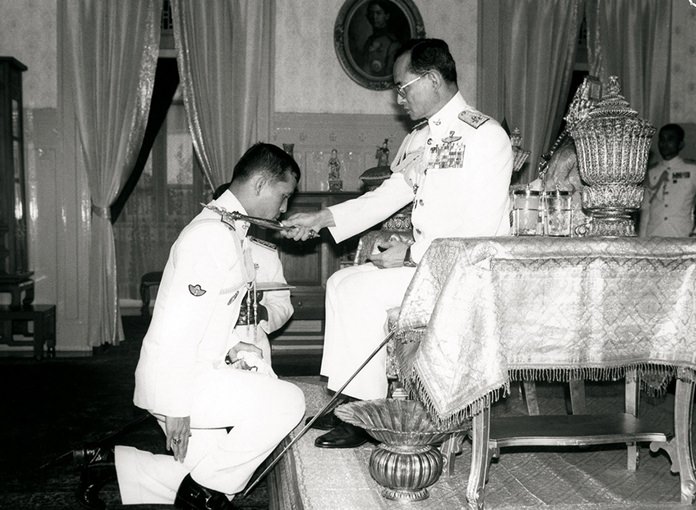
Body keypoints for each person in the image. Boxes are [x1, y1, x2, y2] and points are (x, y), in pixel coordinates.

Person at [282, 38, 513, 449]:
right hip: (427, 266)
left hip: (462, 275)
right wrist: (322, 218)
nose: (398, 97)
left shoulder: (484, 136)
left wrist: (409, 254)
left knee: (358, 293)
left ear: (434, 79)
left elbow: (482, 227)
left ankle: (367, 416)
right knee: (341, 283)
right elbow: (388, 196)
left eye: (403, 87)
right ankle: (350, 404)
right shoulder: (421, 138)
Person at [74, 143, 305, 510]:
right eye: (284, 195)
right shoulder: (211, 235)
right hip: (178, 381)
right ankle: (203, 496)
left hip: (197, 372)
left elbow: (216, 313)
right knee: (289, 402)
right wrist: (176, 404)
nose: (284, 208)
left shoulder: (229, 229)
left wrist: (236, 347)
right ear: (261, 183)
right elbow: (175, 326)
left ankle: (108, 465)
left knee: (210, 473)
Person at [640, 123, 696, 237]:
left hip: (682, 234)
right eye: (662, 139)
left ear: (680, 144)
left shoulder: (692, 170)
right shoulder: (652, 171)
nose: (665, 144)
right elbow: (646, 209)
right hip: (654, 235)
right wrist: (642, 239)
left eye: (670, 139)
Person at [360, 0, 401, 77]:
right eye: (371, 13)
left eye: (378, 13)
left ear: (387, 16)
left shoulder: (393, 44)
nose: (374, 17)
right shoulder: (369, 41)